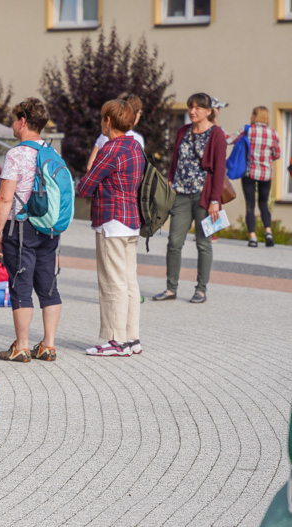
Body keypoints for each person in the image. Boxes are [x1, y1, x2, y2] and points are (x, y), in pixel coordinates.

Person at [0, 98, 62, 362]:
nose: (12, 124)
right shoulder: (52, 152)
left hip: (20, 226)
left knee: (20, 284)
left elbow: (5, 198)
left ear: (22, 121)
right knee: (48, 284)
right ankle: (48, 345)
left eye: (13, 119)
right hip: (49, 226)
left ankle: (21, 346)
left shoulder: (17, 154)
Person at [77, 99, 145, 356]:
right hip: (132, 222)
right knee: (129, 282)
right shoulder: (135, 146)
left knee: (112, 283)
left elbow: (85, 186)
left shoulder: (110, 149)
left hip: (112, 221)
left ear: (108, 121)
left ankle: (115, 341)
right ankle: (131, 338)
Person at [153, 93, 225, 304]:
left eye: (198, 108)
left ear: (208, 111)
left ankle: (201, 290)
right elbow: (175, 160)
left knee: (203, 244)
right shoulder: (182, 131)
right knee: (174, 242)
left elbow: (219, 170)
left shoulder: (217, 135)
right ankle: (170, 288)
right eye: (190, 107)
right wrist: (170, 182)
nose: (193, 111)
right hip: (181, 195)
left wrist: (215, 201)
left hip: (204, 197)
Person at [225, 106, 281, 247]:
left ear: (256, 116)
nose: (250, 117)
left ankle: (253, 238)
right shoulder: (273, 134)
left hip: (249, 172)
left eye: (252, 114)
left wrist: (218, 129)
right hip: (266, 174)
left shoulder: (247, 130)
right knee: (263, 203)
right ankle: (268, 232)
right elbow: (277, 154)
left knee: (250, 205)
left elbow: (229, 140)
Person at [86, 92, 145, 172]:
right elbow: (139, 169)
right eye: (139, 112)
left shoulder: (105, 134)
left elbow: (90, 166)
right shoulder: (137, 139)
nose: (139, 115)